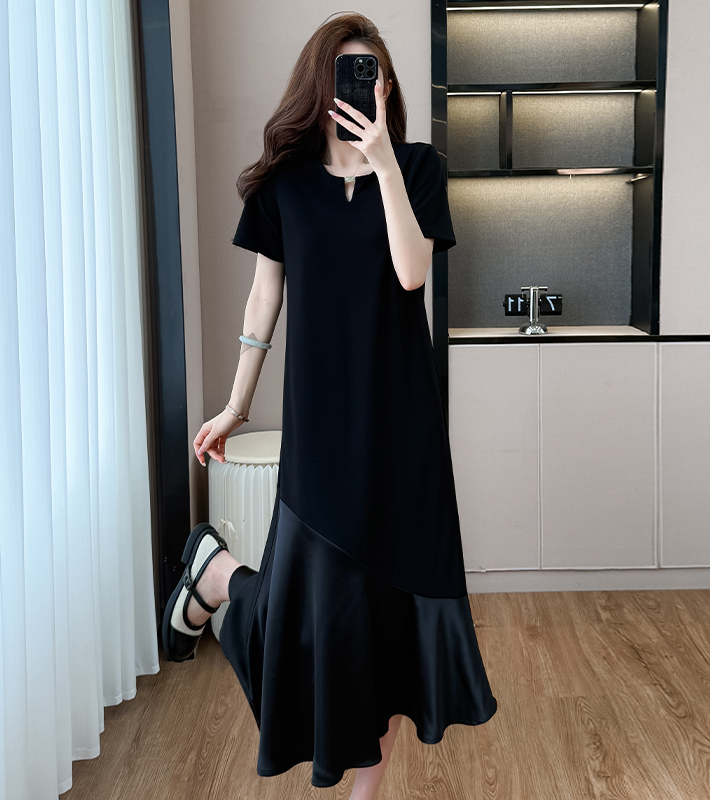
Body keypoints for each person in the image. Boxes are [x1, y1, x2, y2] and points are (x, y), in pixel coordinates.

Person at [161, 13, 498, 799]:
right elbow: (263, 299)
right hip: (321, 431)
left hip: (404, 431)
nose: (360, 86)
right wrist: (236, 406)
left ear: (386, 87)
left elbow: (412, 274)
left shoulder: (417, 167)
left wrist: (382, 164)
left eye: (371, 73)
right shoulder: (284, 187)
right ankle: (220, 577)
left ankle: (362, 793)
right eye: (347, 71)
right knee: (309, 627)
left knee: (387, 630)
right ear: (320, 84)